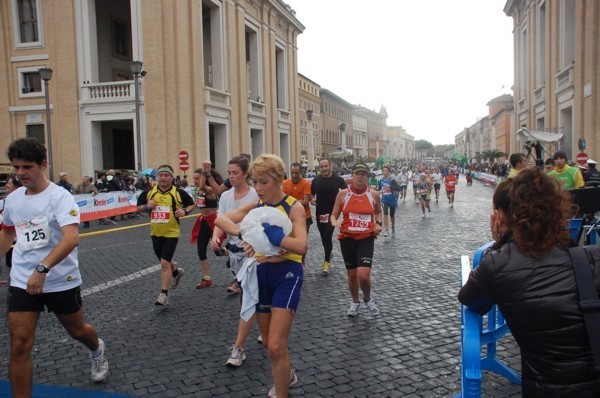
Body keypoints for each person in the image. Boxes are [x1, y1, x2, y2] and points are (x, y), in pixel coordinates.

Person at [458, 167, 600, 396]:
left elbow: (470, 299)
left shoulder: (497, 264)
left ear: (501, 217)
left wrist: (498, 244)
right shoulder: (591, 257)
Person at [0, 138, 109, 396]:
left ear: (43, 165)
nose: (20, 173)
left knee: (77, 331)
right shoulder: (13, 199)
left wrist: (42, 270)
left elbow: (71, 237)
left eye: (27, 167)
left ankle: (97, 349)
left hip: (60, 279)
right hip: (22, 281)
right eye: (16, 168)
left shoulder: (60, 197)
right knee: (19, 345)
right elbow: (6, 233)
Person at [214, 154, 307, 398]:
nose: (258, 188)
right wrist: (247, 234)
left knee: (276, 345)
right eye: (255, 182)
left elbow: (302, 247)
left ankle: (282, 391)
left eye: (263, 182)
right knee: (267, 343)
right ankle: (287, 376)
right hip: (261, 273)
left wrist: (276, 238)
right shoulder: (257, 208)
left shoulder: (293, 207)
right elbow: (222, 219)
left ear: (277, 179)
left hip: (287, 274)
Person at [209, 155, 259, 367]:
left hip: (254, 254)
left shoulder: (257, 195)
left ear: (246, 174)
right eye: (229, 173)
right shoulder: (227, 196)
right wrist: (215, 236)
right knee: (254, 296)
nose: (231, 177)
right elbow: (223, 218)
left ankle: (239, 348)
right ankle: (264, 329)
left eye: (235, 173)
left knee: (248, 297)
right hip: (234, 253)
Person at [137, 165, 195, 305]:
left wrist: (184, 212)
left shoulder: (178, 192)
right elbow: (138, 207)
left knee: (164, 263)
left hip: (172, 233)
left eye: (166, 175)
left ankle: (163, 295)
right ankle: (176, 273)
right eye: (161, 175)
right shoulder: (149, 192)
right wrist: (146, 207)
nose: (163, 178)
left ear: (171, 177)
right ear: (157, 177)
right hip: (155, 232)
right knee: (166, 262)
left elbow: (191, 204)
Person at [330, 163, 382, 317]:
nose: (359, 177)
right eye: (357, 173)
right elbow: (334, 214)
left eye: (363, 174)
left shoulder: (373, 194)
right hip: (347, 238)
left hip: (366, 238)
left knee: (363, 275)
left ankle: (367, 298)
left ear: (367, 176)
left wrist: (378, 223)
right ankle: (355, 301)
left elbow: (378, 212)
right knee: (352, 275)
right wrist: (335, 222)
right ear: (351, 175)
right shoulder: (343, 194)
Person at [311, 158, 347, 273]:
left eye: (326, 166)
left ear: (330, 166)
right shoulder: (316, 180)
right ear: (319, 168)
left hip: (333, 213)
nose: (324, 169)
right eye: (322, 167)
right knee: (323, 236)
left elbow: (346, 192)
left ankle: (326, 261)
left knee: (328, 234)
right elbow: (312, 194)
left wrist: (342, 203)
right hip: (320, 212)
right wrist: (312, 200)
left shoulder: (338, 179)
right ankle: (329, 251)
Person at [190, 166, 224, 289]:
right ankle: (207, 278)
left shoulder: (210, 190)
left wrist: (205, 172)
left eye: (197, 178)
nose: (194, 181)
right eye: (193, 178)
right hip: (203, 221)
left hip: (213, 222)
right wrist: (185, 210)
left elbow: (203, 186)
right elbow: (196, 204)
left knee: (218, 251)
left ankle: (234, 255)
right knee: (201, 250)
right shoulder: (199, 192)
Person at [282, 162, 312, 265]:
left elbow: (305, 201)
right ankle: (290, 260)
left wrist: (290, 201)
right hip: (288, 217)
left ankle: (301, 262)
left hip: (304, 217)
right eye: (292, 173)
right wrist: (297, 201)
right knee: (289, 240)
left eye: (297, 173)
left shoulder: (305, 183)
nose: (294, 175)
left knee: (302, 241)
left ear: (301, 172)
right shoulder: (285, 183)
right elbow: (282, 200)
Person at [0, 174, 22, 285]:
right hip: (11, 241)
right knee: (9, 263)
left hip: (20, 241)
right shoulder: (9, 200)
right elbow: (6, 230)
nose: (6, 185)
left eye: (9, 183)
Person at [377, 166, 400, 236]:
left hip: (392, 200)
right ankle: (386, 230)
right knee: (385, 214)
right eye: (383, 170)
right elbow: (379, 189)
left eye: (386, 170)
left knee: (392, 215)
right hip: (384, 200)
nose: (384, 172)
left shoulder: (392, 180)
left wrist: (390, 187)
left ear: (389, 172)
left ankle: (393, 226)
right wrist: (378, 191)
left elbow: (398, 188)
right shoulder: (381, 180)